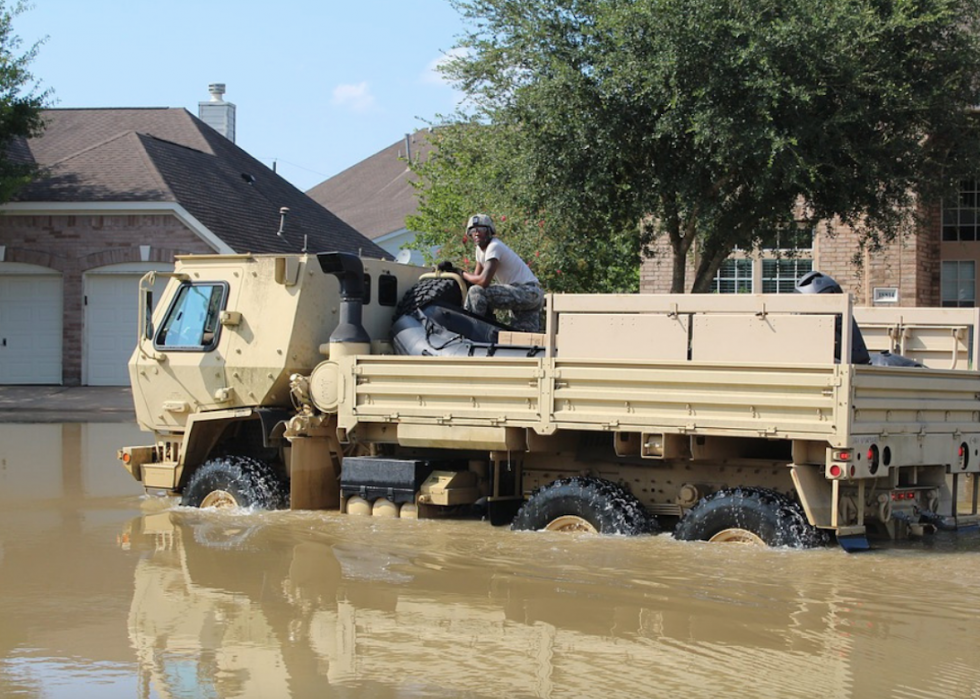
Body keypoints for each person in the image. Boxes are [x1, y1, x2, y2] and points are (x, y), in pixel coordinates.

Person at [458, 213, 544, 332]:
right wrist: (455, 272)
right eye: (473, 230)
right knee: (524, 339)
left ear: (489, 231)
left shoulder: (494, 246)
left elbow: (483, 281)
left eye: (481, 230)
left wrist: (461, 273)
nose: (477, 233)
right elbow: (476, 278)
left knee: (476, 292)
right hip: (530, 294)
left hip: (527, 291)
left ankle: (473, 332)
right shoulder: (479, 250)